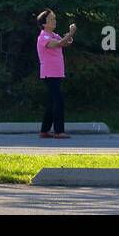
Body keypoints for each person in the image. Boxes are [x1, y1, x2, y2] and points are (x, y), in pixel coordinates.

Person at [37, 9, 76, 140]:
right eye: (51, 19)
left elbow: (66, 43)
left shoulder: (54, 35)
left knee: (51, 102)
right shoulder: (43, 37)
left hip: (57, 73)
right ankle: (59, 131)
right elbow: (59, 44)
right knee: (58, 101)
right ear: (44, 24)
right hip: (49, 74)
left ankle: (44, 131)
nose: (54, 21)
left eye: (54, 18)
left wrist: (69, 36)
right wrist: (70, 33)